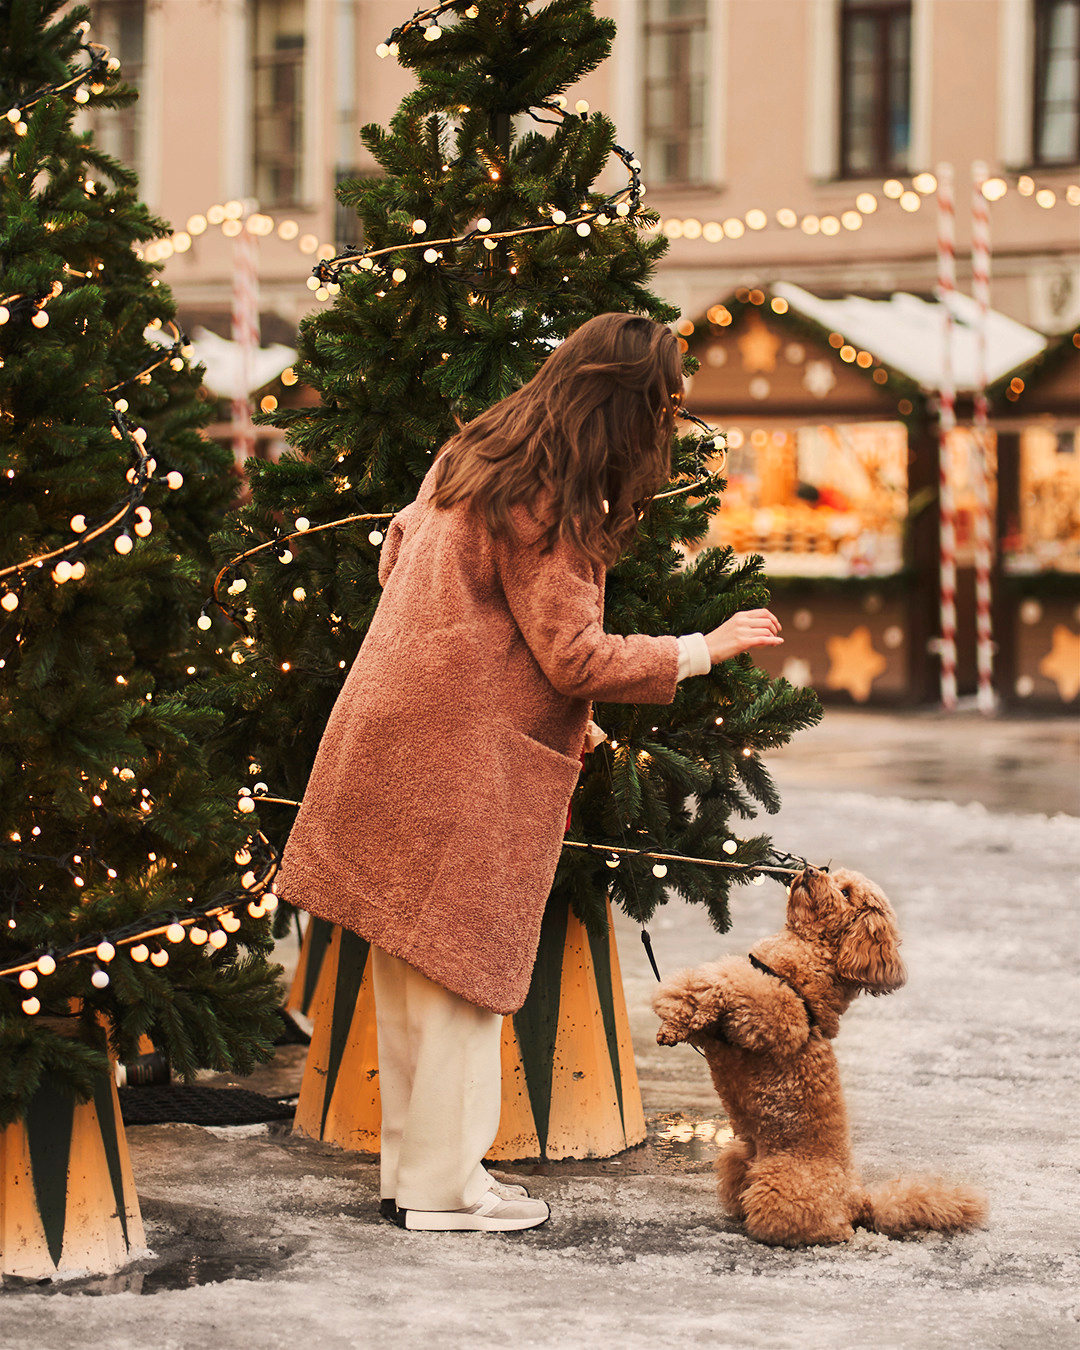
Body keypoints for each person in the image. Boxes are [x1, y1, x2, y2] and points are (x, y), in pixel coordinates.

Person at [278, 313, 783, 1233]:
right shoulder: (555, 497)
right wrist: (701, 648)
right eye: (664, 405)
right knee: (466, 977)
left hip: (396, 730)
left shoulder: (474, 456)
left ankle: (414, 1174)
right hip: (460, 759)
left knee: (409, 967)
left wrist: (509, 694)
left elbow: (399, 553)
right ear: (629, 406)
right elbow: (575, 656)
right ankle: (445, 1192)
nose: (668, 427)